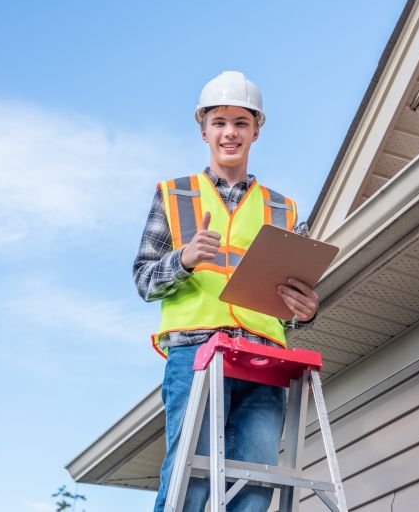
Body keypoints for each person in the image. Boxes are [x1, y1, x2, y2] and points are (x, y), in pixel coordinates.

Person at [133, 71, 319, 512]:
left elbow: (292, 298)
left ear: (256, 129)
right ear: (203, 130)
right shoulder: (174, 195)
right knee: (189, 482)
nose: (229, 132)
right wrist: (183, 259)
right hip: (196, 353)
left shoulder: (283, 209)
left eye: (240, 122)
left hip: (264, 359)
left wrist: (306, 311)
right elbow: (143, 279)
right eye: (219, 122)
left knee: (255, 487)